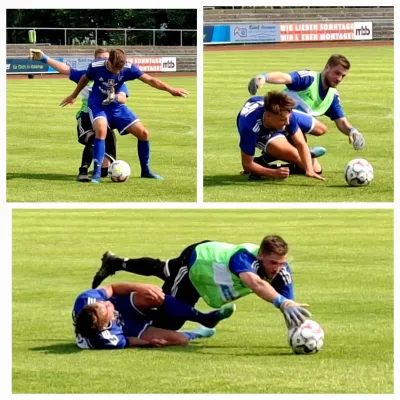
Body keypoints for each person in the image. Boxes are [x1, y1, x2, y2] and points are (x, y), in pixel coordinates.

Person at [90, 235, 311, 331]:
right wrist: (281, 302)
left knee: (163, 268)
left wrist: (295, 329)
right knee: (170, 320)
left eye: (281, 264)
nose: (277, 268)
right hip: (197, 264)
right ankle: (116, 313)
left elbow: (291, 306)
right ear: (260, 255)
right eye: (273, 262)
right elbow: (256, 283)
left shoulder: (281, 271)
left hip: (207, 272)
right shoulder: (244, 258)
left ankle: (116, 262)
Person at [60, 48, 189, 183]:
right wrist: (73, 96)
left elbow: (150, 80)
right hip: (97, 105)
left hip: (116, 107)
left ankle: (146, 171)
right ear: (108, 61)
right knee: (101, 131)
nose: (117, 71)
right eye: (114, 68)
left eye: (119, 69)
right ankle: (96, 174)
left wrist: (171, 90)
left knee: (144, 133)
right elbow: (84, 79)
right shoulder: (95, 66)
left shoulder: (128, 67)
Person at [29, 48, 127, 182]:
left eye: (106, 58)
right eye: (100, 58)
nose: (103, 60)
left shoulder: (116, 77)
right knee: (94, 138)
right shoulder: (86, 74)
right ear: (95, 60)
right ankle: (83, 170)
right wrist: (44, 58)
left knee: (109, 139)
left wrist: (114, 98)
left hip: (104, 116)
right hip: (86, 116)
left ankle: (105, 169)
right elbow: (65, 69)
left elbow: (123, 97)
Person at [247, 54, 365, 150]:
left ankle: (266, 160)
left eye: (343, 76)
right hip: (274, 122)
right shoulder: (308, 79)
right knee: (320, 128)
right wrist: (263, 77)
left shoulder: (332, 96)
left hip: (290, 129)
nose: (339, 79)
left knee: (313, 164)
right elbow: (284, 77)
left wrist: (353, 131)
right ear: (327, 67)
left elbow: (342, 122)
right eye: (337, 73)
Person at [73, 281, 235, 349]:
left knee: (151, 295)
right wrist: (148, 343)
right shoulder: (105, 339)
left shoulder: (86, 299)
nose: (107, 303)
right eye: (107, 308)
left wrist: (141, 287)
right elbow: (128, 340)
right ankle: (197, 332)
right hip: (129, 328)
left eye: (102, 303)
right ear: (105, 325)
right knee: (179, 340)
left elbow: (113, 289)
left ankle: (204, 318)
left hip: (125, 305)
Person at [237, 91, 326, 181]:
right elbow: (247, 165)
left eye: (288, 118)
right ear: (268, 116)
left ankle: (284, 153)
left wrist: (309, 170)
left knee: (321, 129)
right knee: (316, 169)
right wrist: (274, 173)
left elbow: (300, 143)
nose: (287, 122)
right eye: (283, 119)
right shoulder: (250, 128)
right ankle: (264, 162)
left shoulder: (286, 115)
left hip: (274, 117)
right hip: (263, 132)